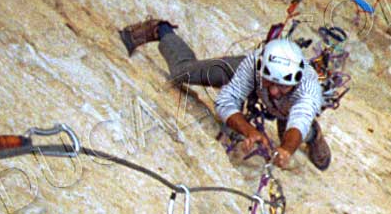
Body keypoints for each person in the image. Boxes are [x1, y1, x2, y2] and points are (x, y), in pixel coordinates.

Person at [118, 18, 331, 170]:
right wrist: (248, 130)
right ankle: (161, 31)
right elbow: (226, 101)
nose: (274, 90)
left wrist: (286, 150)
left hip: (289, 108)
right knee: (183, 73)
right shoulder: (254, 63)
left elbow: (299, 119)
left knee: (295, 130)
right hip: (255, 88)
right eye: (270, 82)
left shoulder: (309, 89)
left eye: (282, 86)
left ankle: (314, 136)